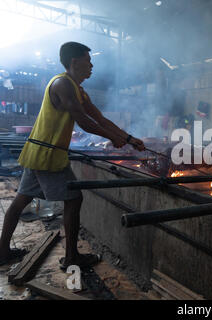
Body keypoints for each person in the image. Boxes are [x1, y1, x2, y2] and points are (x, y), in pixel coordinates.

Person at [0, 42, 145, 269]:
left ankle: (2, 253)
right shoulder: (62, 84)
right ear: (75, 62)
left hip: (40, 152)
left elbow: (100, 118)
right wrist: (112, 138)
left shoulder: (78, 90)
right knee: (74, 198)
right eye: (88, 60)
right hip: (47, 155)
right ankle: (71, 258)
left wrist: (127, 138)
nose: (92, 65)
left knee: (21, 200)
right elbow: (84, 121)